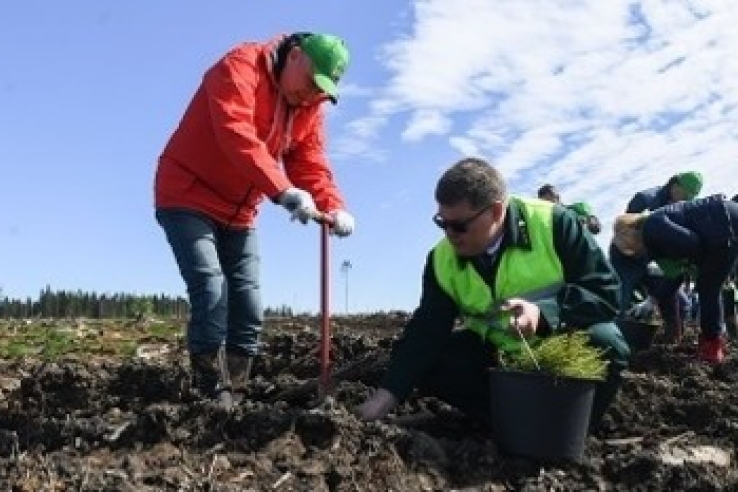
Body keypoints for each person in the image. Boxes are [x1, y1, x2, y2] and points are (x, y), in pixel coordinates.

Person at [154, 32, 356, 409]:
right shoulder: (240, 67)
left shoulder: (308, 107)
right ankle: (210, 391)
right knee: (211, 288)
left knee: (248, 303)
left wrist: (333, 204)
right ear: (294, 56)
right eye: (312, 83)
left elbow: (309, 161)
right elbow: (236, 135)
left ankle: (238, 392)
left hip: (240, 210)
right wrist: (282, 190)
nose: (312, 96)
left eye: (322, 91)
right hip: (187, 194)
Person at [355, 157, 630, 430]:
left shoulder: (554, 224)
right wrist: (386, 396)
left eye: (460, 225)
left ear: (497, 211)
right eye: (442, 223)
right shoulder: (441, 260)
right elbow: (427, 329)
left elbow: (605, 291)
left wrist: (544, 313)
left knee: (607, 342)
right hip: (494, 358)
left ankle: (571, 430)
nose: (450, 234)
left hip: (560, 348)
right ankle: (503, 423)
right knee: (432, 360)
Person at [612, 194, 738, 362]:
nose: (635, 252)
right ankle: (711, 343)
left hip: (722, 222)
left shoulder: (652, 228)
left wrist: (697, 268)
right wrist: (652, 299)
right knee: (709, 287)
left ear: (631, 234)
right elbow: (675, 276)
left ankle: (712, 348)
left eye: (630, 247)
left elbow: (692, 243)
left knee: (708, 288)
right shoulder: (656, 238)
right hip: (721, 224)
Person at [609, 171, 703, 342]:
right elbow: (626, 228)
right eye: (683, 195)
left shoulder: (683, 209)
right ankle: (618, 335)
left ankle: (673, 336)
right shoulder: (645, 199)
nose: (683, 201)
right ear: (675, 185)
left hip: (657, 257)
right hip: (630, 253)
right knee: (624, 290)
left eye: (688, 199)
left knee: (679, 299)